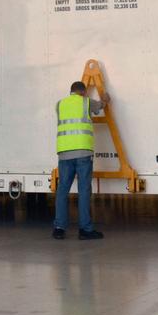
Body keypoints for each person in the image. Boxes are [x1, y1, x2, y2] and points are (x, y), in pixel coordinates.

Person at [53, 81, 106, 240]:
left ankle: (59, 228)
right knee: (84, 191)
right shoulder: (86, 102)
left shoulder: (59, 104)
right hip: (83, 152)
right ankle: (85, 230)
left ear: (71, 91)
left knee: (62, 190)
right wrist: (106, 98)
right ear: (83, 92)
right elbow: (101, 105)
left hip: (64, 153)